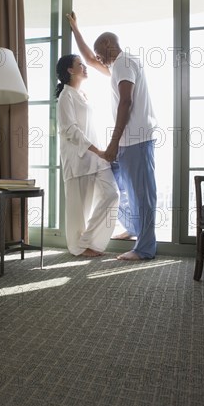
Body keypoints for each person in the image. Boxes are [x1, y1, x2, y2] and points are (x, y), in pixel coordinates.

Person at [66, 12, 158, 261]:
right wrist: (76, 29)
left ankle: (145, 248)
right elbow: (89, 59)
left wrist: (113, 143)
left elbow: (125, 102)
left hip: (136, 140)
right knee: (116, 185)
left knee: (142, 193)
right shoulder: (117, 65)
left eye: (99, 52)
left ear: (108, 46)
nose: (96, 59)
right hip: (129, 141)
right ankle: (133, 227)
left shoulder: (124, 62)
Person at [56, 54, 119, 258]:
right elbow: (70, 130)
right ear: (70, 70)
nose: (85, 67)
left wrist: (105, 151)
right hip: (78, 159)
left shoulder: (83, 95)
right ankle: (79, 247)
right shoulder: (65, 97)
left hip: (97, 157)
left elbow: (92, 127)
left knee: (112, 194)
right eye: (80, 64)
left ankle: (87, 240)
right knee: (78, 209)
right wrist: (98, 151)